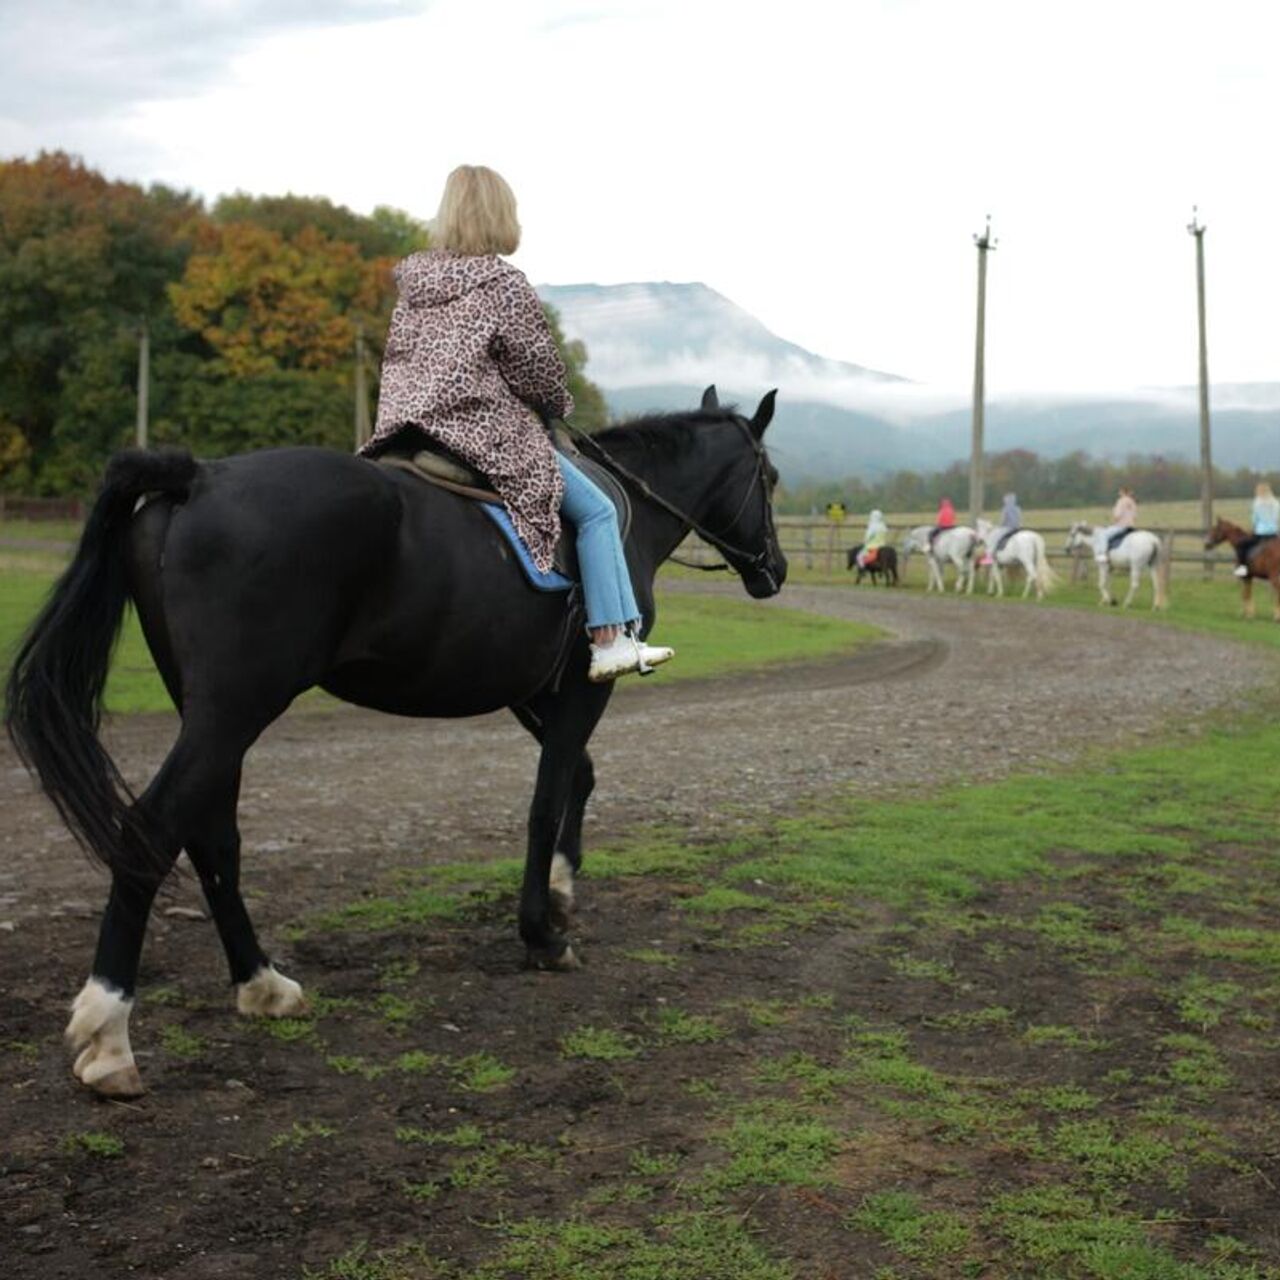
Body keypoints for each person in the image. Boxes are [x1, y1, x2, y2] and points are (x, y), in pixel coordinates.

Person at [362, 164, 672, 682]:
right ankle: (612, 639)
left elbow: (397, 362)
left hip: (405, 431)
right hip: (480, 434)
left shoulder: (414, 282)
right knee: (597, 510)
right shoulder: (501, 282)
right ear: (500, 215)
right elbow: (539, 372)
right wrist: (556, 404)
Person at [1234, 481, 1280, 578]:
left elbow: (1255, 519)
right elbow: (1277, 518)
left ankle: (1243, 569)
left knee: (1241, 545)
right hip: (1274, 534)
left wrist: (1253, 529)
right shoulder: (1276, 502)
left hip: (1261, 533)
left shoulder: (1257, 502)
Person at [1093, 486, 1137, 564]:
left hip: (1121, 525)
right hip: (1131, 526)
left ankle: (1103, 555)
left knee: (1103, 534)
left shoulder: (1121, 501)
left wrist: (1114, 520)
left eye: (1119, 491)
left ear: (1122, 492)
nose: (1118, 493)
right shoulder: (1132, 501)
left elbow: (1118, 515)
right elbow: (1134, 515)